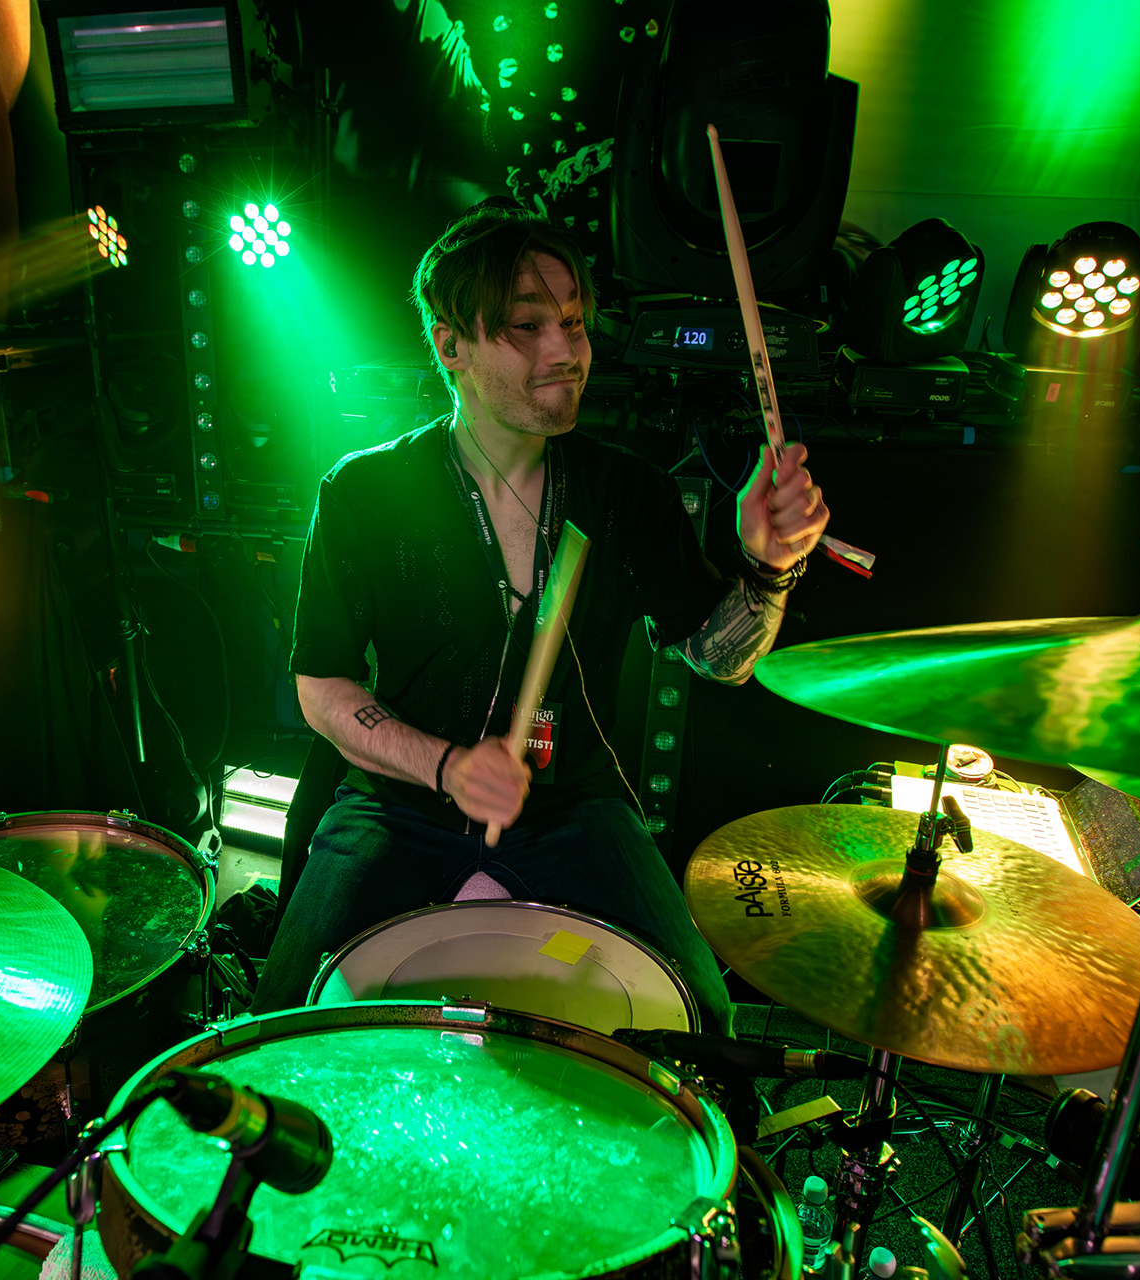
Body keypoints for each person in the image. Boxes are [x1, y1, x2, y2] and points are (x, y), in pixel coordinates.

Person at [253, 203, 831, 1034]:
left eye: (574, 323)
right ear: (451, 345)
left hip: (574, 808)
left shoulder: (627, 490)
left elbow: (719, 656)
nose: (566, 352)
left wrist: (769, 569)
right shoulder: (364, 493)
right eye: (527, 326)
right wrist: (448, 766)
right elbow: (322, 689)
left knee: (703, 1022)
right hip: (397, 804)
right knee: (284, 1022)